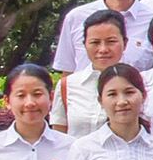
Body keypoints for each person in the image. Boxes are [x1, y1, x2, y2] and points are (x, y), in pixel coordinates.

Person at [52, 10, 130, 138]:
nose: (103, 49)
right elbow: (59, 137)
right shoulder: (67, 86)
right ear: (85, 45)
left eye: (111, 41)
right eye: (95, 42)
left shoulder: (139, 84)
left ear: (125, 43)